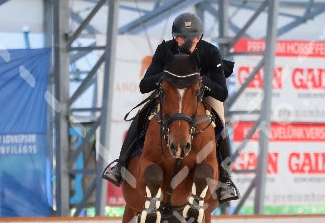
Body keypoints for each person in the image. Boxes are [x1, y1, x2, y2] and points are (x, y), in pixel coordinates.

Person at [102, 12, 239, 202]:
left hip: (201, 92)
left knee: (221, 124)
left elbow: (222, 92)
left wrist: (201, 82)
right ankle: (121, 164)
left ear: (200, 37)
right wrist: (166, 79)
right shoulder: (165, 50)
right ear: (175, 37)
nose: (189, 42)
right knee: (142, 113)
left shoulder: (210, 52)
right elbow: (144, 85)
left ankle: (225, 180)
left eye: (194, 38)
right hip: (171, 91)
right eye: (183, 37)